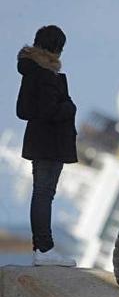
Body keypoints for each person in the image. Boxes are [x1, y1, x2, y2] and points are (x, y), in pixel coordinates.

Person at [16, 25, 78, 267]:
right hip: (50, 144)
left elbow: (23, 111)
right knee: (44, 195)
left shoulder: (32, 71)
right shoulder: (45, 75)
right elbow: (51, 109)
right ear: (56, 48)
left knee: (41, 195)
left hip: (38, 142)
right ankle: (44, 249)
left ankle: (41, 249)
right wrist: (69, 107)